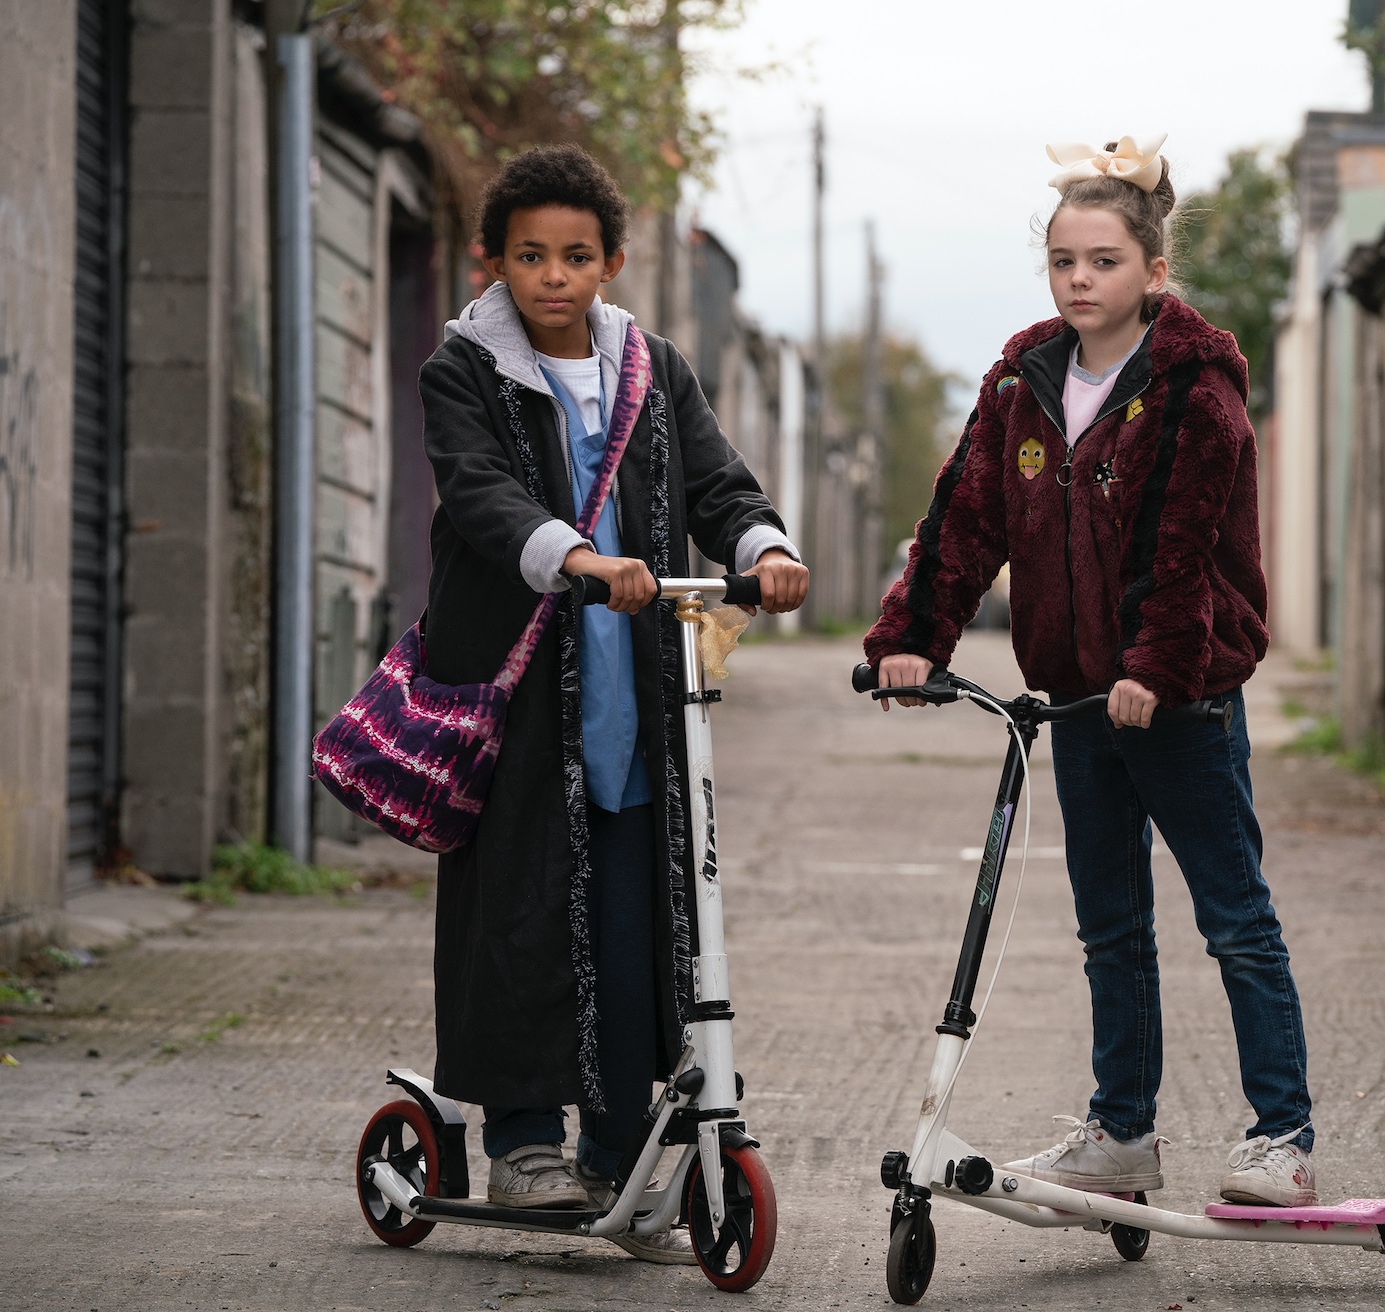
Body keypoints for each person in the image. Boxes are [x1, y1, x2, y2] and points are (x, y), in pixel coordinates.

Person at [863, 135, 1316, 1207]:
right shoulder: (1023, 383)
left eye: (1104, 260)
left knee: (1233, 918)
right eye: (1063, 260)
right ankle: (1122, 1130)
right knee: (1109, 926)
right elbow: (962, 519)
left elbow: (1183, 543)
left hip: (1180, 696)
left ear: (1152, 272)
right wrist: (909, 636)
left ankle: (1281, 1136)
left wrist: (1160, 665)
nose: (1080, 279)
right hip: (1076, 698)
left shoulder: (1192, 387)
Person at [420, 145, 807, 1261]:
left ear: (612, 261)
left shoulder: (651, 366)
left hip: (637, 696)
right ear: (494, 260)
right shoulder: (466, 368)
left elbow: (716, 479)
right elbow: (480, 493)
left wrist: (764, 545)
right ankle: (525, 1138)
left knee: (642, 912)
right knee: (525, 907)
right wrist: (577, 556)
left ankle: (624, 1145)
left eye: (576, 256)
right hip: (520, 688)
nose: (553, 275)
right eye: (530, 255)